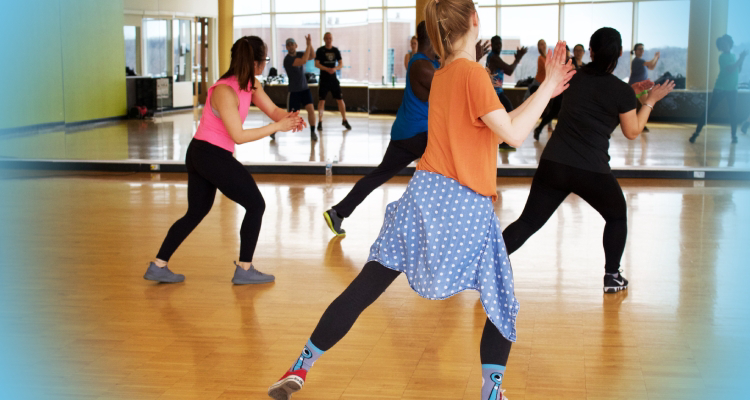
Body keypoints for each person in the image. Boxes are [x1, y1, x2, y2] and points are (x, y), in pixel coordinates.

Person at [267, 0, 575, 397]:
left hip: (425, 192)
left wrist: (546, 90)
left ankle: (301, 365)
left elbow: (496, 130)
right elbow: (513, 136)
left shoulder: (444, 74)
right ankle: (492, 391)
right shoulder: (473, 75)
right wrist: (548, 87)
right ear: (475, 21)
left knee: (367, 285)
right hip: (464, 203)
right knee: (500, 296)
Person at [502, 27, 675, 294]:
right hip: (591, 170)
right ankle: (612, 276)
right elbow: (632, 131)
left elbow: (592, 93)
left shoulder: (573, 76)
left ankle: (487, 265)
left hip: (554, 164)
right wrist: (649, 100)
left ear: (590, 51)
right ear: (619, 53)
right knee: (617, 216)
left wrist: (630, 93)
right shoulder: (620, 91)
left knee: (528, 222)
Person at [143, 36, 305, 285]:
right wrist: (277, 127)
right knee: (256, 205)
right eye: (264, 60)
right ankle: (244, 268)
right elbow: (238, 136)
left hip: (206, 153)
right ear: (255, 63)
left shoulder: (251, 84)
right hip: (209, 155)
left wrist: (290, 118)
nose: (264, 65)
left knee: (196, 211)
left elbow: (273, 111)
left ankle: (158, 265)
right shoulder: (224, 91)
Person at [323, 22, 488, 236]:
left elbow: (449, 72)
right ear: (433, 38)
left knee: (381, 175)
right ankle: (448, 226)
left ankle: (337, 212)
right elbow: (452, 85)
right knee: (453, 170)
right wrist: (470, 58)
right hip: (417, 134)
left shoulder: (427, 62)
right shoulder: (422, 66)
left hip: (407, 132)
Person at [690, 34, 747, 144]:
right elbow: (730, 69)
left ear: (730, 44)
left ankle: (734, 136)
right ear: (720, 47)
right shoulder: (722, 57)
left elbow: (737, 70)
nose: (724, 46)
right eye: (722, 45)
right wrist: (740, 58)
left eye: (725, 43)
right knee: (710, 110)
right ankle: (696, 133)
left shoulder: (734, 56)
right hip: (720, 88)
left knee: (733, 113)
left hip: (732, 88)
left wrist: (742, 59)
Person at [486, 36, 527, 151]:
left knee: (508, 113)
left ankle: (503, 140)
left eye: (500, 44)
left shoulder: (495, 57)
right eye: (496, 44)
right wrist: (518, 59)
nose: (498, 46)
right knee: (509, 112)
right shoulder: (493, 57)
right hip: (494, 92)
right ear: (492, 45)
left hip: (498, 92)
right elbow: (509, 70)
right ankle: (504, 141)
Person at [281, 35, 318, 141]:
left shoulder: (301, 54)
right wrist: (308, 45)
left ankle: (312, 132)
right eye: (288, 45)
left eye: (292, 44)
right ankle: (274, 130)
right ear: (286, 48)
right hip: (294, 92)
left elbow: (312, 55)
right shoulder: (287, 60)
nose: (290, 46)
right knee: (290, 117)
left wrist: (310, 44)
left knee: (311, 109)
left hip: (305, 89)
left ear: (296, 46)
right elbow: (303, 61)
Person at [533, 45, 573, 140]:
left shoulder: (573, 62)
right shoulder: (559, 63)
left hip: (570, 93)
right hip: (559, 92)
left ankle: (561, 134)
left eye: (566, 51)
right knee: (553, 112)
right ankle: (539, 129)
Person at [315, 32, 352, 131]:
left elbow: (341, 64)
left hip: (333, 79)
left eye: (330, 38)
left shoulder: (335, 50)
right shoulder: (320, 50)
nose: (328, 40)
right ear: (324, 39)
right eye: (326, 38)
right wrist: (327, 69)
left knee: (340, 99)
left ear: (332, 39)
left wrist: (335, 68)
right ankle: (320, 121)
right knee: (321, 101)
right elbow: (316, 64)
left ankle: (344, 120)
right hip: (323, 79)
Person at [629, 44, 660, 132]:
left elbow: (651, 67)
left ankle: (641, 124)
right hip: (637, 86)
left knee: (645, 105)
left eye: (642, 49)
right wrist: (656, 57)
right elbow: (650, 63)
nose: (642, 51)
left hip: (641, 87)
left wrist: (656, 58)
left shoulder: (641, 61)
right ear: (635, 51)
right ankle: (640, 124)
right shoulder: (637, 61)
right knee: (645, 105)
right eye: (640, 49)